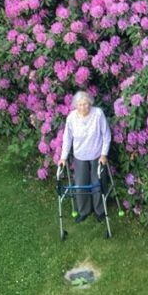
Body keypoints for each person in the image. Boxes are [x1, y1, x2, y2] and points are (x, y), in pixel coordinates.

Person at [59, 90, 111, 222]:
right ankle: (84, 211)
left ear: (90, 103)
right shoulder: (71, 117)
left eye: (86, 104)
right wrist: (63, 157)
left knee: (97, 183)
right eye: (81, 104)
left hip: (96, 154)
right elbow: (67, 138)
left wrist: (104, 154)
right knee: (81, 183)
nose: (84, 107)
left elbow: (106, 135)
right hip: (80, 154)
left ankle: (100, 211)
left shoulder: (98, 114)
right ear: (76, 105)